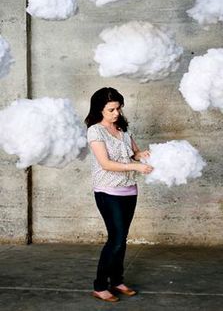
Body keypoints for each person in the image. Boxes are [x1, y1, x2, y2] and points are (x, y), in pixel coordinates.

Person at [85, 87, 153, 302]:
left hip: (129, 190)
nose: (116, 113)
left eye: (119, 108)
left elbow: (135, 153)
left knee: (121, 238)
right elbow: (105, 164)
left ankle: (116, 281)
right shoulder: (95, 131)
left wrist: (143, 156)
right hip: (108, 191)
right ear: (100, 110)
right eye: (111, 109)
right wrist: (135, 166)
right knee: (115, 239)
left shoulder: (123, 128)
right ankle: (99, 285)